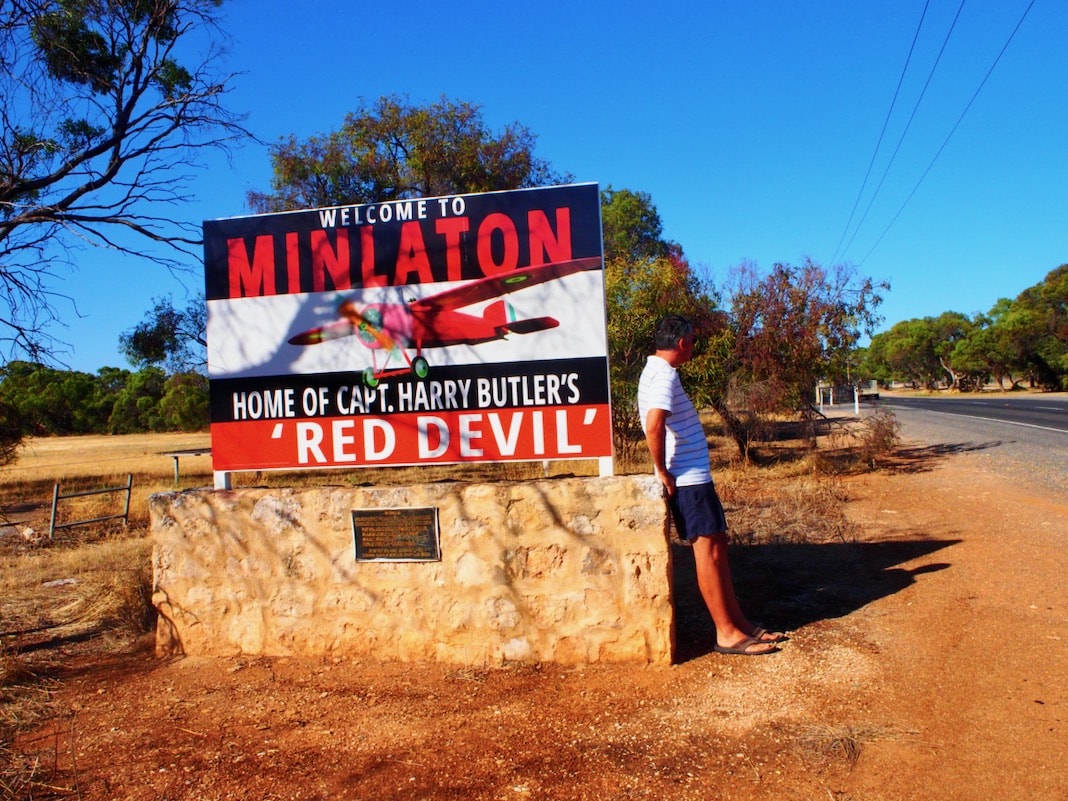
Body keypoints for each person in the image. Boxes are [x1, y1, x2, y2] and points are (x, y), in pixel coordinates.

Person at [638, 314, 786, 656]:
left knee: (717, 550)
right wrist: (661, 470)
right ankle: (726, 634)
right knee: (707, 555)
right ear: (681, 343)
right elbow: (654, 424)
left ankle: (740, 625)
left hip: (695, 479)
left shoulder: (658, 372)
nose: (693, 346)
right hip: (687, 481)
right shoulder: (663, 374)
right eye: (691, 340)